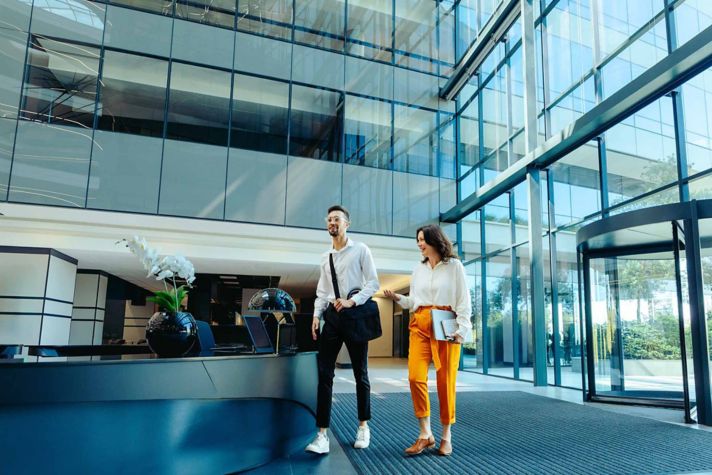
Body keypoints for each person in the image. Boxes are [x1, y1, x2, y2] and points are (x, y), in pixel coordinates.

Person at [384, 224, 471, 457]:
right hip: (420, 323)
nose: (419, 244)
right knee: (414, 377)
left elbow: (463, 301)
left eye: (422, 239)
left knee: (446, 380)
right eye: (418, 241)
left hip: (446, 322)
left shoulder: (454, 267)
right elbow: (414, 301)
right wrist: (399, 298)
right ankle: (425, 434)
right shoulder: (418, 269)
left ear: (434, 239)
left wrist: (461, 329)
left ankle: (446, 436)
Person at [305, 205, 380, 455]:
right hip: (333, 318)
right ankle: (322, 434)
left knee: (361, 374)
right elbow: (322, 292)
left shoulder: (361, 250)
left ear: (347, 223)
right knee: (325, 373)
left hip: (355, 315)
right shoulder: (325, 257)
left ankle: (363, 427)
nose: (331, 222)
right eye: (329, 219)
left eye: (336, 219)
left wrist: (353, 301)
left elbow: (373, 283)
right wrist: (316, 316)